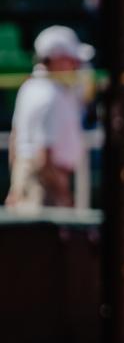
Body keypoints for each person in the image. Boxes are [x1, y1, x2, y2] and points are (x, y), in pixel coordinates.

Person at [6, 25, 91, 211]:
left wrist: (15, 187)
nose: (76, 66)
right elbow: (44, 157)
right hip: (46, 185)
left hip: (30, 179)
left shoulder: (30, 88)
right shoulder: (50, 95)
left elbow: (15, 141)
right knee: (42, 239)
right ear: (55, 60)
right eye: (72, 60)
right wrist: (63, 194)